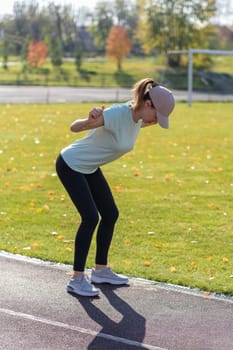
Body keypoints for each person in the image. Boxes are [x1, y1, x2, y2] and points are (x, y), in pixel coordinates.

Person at [56, 78, 175, 297]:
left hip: (89, 167)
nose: (158, 122)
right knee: (90, 217)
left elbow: (140, 122)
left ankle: (101, 270)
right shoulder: (116, 114)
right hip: (71, 164)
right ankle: (77, 279)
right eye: (158, 116)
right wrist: (89, 119)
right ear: (148, 104)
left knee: (110, 214)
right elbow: (74, 128)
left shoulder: (141, 119)